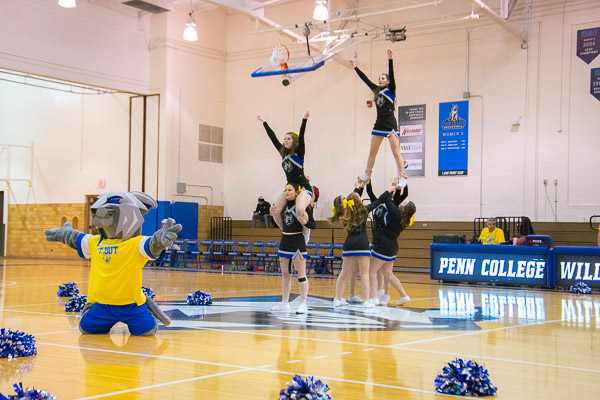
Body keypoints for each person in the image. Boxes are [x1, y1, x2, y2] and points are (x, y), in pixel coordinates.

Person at [44, 191, 180, 335]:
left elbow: (151, 245)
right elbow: (76, 238)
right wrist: (64, 233)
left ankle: (145, 310)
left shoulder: (136, 243)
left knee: (146, 331)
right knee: (87, 328)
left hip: (132, 305)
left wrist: (159, 241)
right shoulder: (95, 242)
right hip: (102, 304)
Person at [352, 49, 407, 184]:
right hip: (379, 123)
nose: (380, 80)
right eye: (379, 78)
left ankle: (402, 176)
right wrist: (355, 67)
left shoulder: (391, 89)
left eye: (383, 78)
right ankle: (367, 174)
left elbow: (392, 73)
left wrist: (390, 58)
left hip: (390, 123)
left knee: (396, 152)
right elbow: (365, 79)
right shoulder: (376, 90)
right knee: (372, 152)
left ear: (388, 81)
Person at [328, 179, 385, 308]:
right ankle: (367, 301)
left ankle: (337, 299)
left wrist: (360, 186)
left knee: (344, 273)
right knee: (364, 274)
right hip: (362, 245)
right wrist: (389, 191)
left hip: (349, 245)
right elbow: (378, 201)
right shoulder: (364, 210)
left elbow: (353, 197)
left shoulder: (344, 212)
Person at [257, 112, 313, 231]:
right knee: (275, 211)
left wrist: (304, 120)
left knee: (299, 210)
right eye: (284, 139)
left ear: (294, 141)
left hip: (303, 187)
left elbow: (302, 135)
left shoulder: (299, 153)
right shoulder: (283, 153)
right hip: (290, 187)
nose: (285, 141)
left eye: (289, 139)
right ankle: (285, 231)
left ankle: (306, 233)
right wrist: (264, 122)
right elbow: (272, 138)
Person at [368, 180, 415, 306]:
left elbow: (389, 200)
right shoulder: (401, 216)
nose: (401, 202)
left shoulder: (396, 214)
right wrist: (401, 184)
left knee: (370, 272)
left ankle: (373, 298)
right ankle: (403, 295)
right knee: (388, 274)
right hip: (391, 247)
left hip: (383, 246)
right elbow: (395, 199)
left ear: (403, 208)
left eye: (404, 203)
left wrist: (392, 188)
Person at [270, 183, 316, 314]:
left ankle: (303, 303)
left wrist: (304, 222)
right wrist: (274, 214)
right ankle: (285, 303)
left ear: (296, 192)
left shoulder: (303, 207)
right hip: (285, 240)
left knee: (300, 274)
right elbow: (281, 225)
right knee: (285, 274)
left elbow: (313, 225)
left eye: (290, 190)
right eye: (285, 190)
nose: (286, 192)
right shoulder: (284, 206)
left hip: (297, 241)